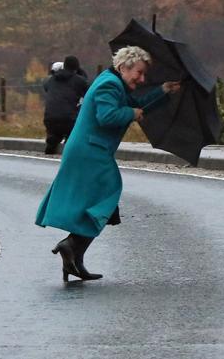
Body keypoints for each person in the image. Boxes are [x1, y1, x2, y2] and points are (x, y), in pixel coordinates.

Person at [35, 46, 181, 282]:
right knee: (106, 195)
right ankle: (71, 246)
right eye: (139, 73)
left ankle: (73, 255)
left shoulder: (116, 83)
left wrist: (163, 91)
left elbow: (137, 104)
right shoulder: (108, 85)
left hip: (91, 149)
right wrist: (130, 114)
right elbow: (107, 116)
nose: (142, 79)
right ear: (124, 67)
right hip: (89, 150)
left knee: (98, 204)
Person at [42, 56, 88, 155]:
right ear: (77, 67)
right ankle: (69, 142)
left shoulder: (50, 80)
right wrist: (82, 73)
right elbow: (88, 91)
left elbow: (46, 86)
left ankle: (53, 138)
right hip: (69, 119)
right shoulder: (79, 81)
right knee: (73, 127)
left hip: (49, 119)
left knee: (55, 130)